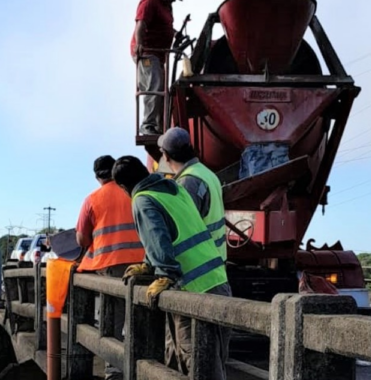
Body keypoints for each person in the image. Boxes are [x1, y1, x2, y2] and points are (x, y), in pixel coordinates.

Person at [112, 155, 231, 380]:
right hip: (217, 279)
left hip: (192, 286)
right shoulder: (174, 189)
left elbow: (157, 237)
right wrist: (149, 265)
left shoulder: (143, 199)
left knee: (194, 362)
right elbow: (174, 231)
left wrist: (164, 273)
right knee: (215, 360)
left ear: (123, 187)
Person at [75, 155, 146, 380]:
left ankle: (114, 371)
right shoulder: (134, 192)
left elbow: (81, 239)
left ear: (97, 177)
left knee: (111, 320)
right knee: (140, 316)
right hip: (143, 264)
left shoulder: (92, 199)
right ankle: (144, 368)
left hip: (110, 266)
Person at [157, 127, 227, 261]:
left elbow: (183, 229)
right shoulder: (206, 173)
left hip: (201, 263)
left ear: (166, 156)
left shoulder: (188, 182)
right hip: (215, 258)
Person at [131, 0, 176, 135]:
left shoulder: (166, 6)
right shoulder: (150, 2)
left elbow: (163, 27)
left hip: (159, 55)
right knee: (154, 86)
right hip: (147, 53)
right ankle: (148, 125)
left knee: (162, 91)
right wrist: (139, 44)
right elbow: (141, 23)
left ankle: (160, 127)